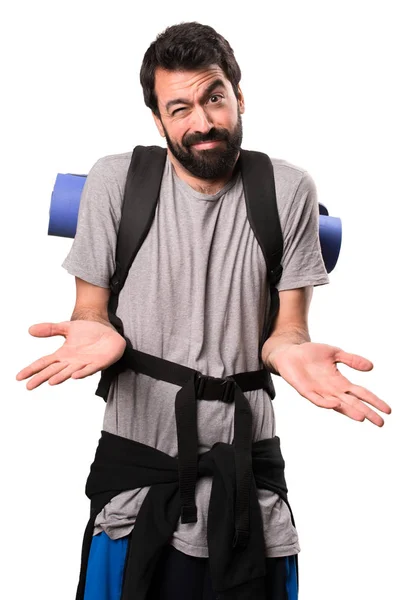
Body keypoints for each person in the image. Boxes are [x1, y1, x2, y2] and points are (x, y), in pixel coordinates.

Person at [16, 21, 391, 600]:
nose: (203, 121)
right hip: (138, 469)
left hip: (247, 470)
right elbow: (88, 310)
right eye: (180, 107)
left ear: (239, 97)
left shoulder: (287, 189)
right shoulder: (116, 181)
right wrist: (98, 333)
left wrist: (290, 353)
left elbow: (287, 329)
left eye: (215, 97)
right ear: (159, 119)